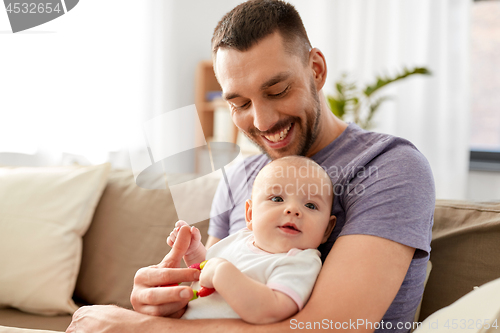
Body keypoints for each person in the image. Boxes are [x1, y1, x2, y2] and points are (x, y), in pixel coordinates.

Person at [66, 1, 434, 332]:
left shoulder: (388, 167)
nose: (261, 121)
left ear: (317, 70)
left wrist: (139, 329)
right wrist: (163, 303)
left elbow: (330, 328)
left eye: (277, 91)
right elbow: (208, 292)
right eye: (240, 103)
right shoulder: (241, 177)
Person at [167, 156, 336, 323]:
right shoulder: (240, 238)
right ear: (249, 214)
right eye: (277, 199)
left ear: (327, 230)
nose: (293, 209)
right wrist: (194, 252)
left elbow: (272, 310)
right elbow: (206, 274)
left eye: (311, 205)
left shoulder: (301, 262)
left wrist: (221, 271)